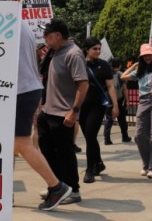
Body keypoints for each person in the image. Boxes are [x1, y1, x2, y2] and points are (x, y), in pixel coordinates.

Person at [15, 23, 71, 211]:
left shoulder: (7, 22)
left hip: (20, 90)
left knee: (21, 143)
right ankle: (5, 192)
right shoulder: (18, 23)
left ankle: (56, 186)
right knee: (10, 145)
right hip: (22, 89)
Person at [37, 19, 89, 205]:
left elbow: (83, 84)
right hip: (48, 110)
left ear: (58, 35)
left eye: (47, 34)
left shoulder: (73, 54)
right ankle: (57, 186)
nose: (44, 38)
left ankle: (73, 190)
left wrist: (73, 112)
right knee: (47, 150)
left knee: (64, 153)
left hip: (63, 114)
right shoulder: (53, 52)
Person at [121, 44, 152, 178]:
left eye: (149, 54)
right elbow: (123, 77)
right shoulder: (140, 69)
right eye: (144, 55)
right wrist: (135, 65)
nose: (147, 57)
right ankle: (146, 164)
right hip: (143, 101)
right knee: (139, 135)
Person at [80, 37, 119, 184]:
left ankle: (90, 170)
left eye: (98, 48)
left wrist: (115, 105)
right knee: (90, 137)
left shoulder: (104, 65)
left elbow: (110, 86)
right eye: (94, 49)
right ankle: (99, 163)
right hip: (82, 106)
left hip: (98, 106)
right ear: (87, 50)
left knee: (90, 135)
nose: (97, 51)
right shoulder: (80, 64)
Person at [104, 58, 131, 145]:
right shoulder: (121, 74)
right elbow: (124, 89)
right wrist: (127, 101)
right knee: (122, 119)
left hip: (109, 100)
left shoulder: (107, 74)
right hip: (119, 100)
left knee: (109, 119)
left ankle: (107, 139)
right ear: (119, 65)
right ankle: (125, 137)